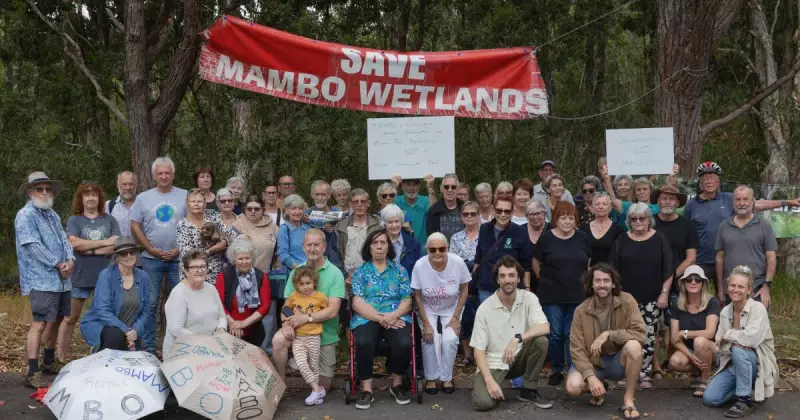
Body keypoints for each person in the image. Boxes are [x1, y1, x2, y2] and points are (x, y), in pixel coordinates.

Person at [684, 161, 797, 288]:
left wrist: (787, 202)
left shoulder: (729, 199)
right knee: (697, 295)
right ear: (700, 182)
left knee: (725, 296)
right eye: (705, 178)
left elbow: (756, 204)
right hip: (701, 260)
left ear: (718, 181)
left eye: (713, 177)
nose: (709, 181)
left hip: (726, 261)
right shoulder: (691, 205)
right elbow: (687, 233)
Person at [15, 172, 74, 388]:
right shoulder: (25, 215)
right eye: (40, 189)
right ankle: (32, 371)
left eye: (48, 189)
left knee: (57, 319)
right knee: (39, 324)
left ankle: (48, 361)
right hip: (41, 280)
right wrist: (58, 264)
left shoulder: (52, 214)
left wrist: (70, 261)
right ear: (31, 192)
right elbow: (33, 246)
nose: (45, 192)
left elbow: (64, 239)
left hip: (62, 280)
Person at [471, 256, 552, 411]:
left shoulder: (529, 298)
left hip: (519, 357)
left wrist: (518, 338)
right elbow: (478, 350)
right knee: (483, 403)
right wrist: (489, 381)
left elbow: (545, 327)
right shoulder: (485, 308)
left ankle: (529, 390)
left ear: (519, 278)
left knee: (541, 341)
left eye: (511, 275)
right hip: (494, 362)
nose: (507, 280)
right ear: (497, 280)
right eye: (502, 276)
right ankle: (493, 386)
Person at [566, 263, 646, 420]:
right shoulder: (581, 311)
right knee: (573, 387)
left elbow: (641, 334)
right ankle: (599, 386)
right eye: (597, 280)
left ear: (613, 283)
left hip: (617, 361)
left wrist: (609, 334)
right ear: (591, 284)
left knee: (634, 346)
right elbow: (576, 349)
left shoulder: (627, 301)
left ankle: (628, 399)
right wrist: (591, 377)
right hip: (593, 362)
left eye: (606, 280)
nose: (602, 285)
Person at [273, 229, 345, 392]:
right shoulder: (296, 272)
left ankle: (300, 362)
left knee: (324, 386)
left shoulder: (335, 274)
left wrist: (305, 318)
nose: (312, 249)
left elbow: (333, 311)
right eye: (309, 245)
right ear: (303, 247)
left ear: (324, 247)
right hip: (298, 331)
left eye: (316, 245)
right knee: (278, 340)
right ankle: (281, 384)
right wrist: (286, 324)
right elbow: (286, 306)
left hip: (324, 334)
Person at [610, 203, 673, 389]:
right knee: (626, 336)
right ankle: (627, 371)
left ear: (648, 220)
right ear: (629, 221)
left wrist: (664, 294)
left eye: (641, 218)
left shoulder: (659, 239)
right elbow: (612, 270)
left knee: (648, 336)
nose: (638, 222)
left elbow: (668, 270)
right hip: (626, 300)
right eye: (634, 219)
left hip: (652, 298)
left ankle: (644, 372)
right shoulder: (621, 240)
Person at [350, 229, 414, 409]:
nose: (379, 246)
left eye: (383, 243)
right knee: (363, 341)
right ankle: (367, 390)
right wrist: (381, 318)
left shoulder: (399, 270)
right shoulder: (361, 272)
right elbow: (357, 302)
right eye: (375, 243)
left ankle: (397, 384)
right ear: (369, 247)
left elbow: (407, 300)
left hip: (396, 315)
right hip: (367, 316)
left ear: (388, 247)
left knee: (403, 342)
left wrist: (393, 315)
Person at [58, 182, 121, 363]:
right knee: (70, 318)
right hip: (80, 275)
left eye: (94, 195)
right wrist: (104, 242)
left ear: (99, 198)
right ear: (81, 199)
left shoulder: (110, 220)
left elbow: (116, 245)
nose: (91, 198)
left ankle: (105, 354)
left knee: (108, 316)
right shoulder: (74, 220)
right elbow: (74, 244)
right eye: (87, 195)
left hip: (107, 276)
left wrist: (89, 249)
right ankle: (60, 358)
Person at [130, 156, 187, 354]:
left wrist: (179, 248)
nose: (164, 176)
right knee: (151, 303)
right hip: (151, 259)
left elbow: (192, 222)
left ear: (173, 175)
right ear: (154, 175)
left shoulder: (184, 195)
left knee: (181, 303)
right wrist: (149, 248)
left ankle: (180, 346)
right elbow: (135, 225)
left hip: (178, 259)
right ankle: (150, 347)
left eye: (167, 173)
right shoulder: (143, 198)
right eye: (160, 173)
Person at [703, 265, 777, 417]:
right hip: (733, 364)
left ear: (749, 290)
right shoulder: (725, 311)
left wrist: (728, 335)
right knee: (710, 399)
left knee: (739, 349)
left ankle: (744, 400)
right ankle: (748, 390)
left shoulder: (758, 309)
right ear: (728, 287)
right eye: (733, 285)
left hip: (757, 365)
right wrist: (732, 344)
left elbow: (751, 340)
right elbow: (719, 345)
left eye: (741, 286)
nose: (735, 289)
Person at [533, 201, 592, 386]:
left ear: (576, 220)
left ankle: (574, 369)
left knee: (571, 334)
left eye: (571, 218)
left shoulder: (583, 238)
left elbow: (588, 263)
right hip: (552, 295)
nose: (567, 221)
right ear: (556, 219)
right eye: (563, 217)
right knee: (556, 334)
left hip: (577, 294)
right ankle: (557, 369)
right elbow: (536, 263)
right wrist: (546, 280)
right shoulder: (546, 238)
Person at [412, 233, 470, 394]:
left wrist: (456, 317)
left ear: (447, 248)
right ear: (427, 250)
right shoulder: (419, 265)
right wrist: (426, 324)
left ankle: (447, 377)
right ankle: (431, 378)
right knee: (429, 339)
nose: (437, 252)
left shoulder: (458, 262)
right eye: (433, 249)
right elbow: (417, 296)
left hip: (452, 307)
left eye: (441, 249)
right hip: (428, 307)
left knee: (450, 340)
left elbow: (464, 290)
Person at [652, 185, 698, 371]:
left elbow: (691, 258)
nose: (667, 202)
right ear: (658, 201)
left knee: (675, 323)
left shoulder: (687, 225)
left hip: (679, 282)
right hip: (652, 281)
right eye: (664, 198)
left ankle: (671, 360)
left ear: (678, 202)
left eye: (671, 199)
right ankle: (654, 365)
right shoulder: (650, 222)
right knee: (652, 325)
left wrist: (670, 276)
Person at [80, 237, 151, 352]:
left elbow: (146, 310)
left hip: (130, 332)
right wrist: (125, 331)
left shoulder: (143, 276)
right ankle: (99, 351)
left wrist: (135, 331)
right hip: (104, 327)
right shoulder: (106, 275)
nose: (129, 256)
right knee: (115, 335)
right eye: (123, 253)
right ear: (116, 257)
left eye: (132, 252)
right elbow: (103, 310)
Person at [715, 185, 777, 307]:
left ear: (753, 202)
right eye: (738, 199)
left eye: (745, 199)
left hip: (756, 289)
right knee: (730, 320)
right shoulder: (724, 226)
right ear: (733, 202)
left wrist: (766, 286)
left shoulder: (764, 225)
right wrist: (721, 287)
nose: (741, 203)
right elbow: (719, 258)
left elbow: (771, 258)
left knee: (756, 320)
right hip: (731, 290)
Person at [668, 265, 721, 397]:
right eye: (689, 279)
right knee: (674, 362)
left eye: (697, 279)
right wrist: (690, 356)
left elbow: (709, 333)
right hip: (689, 349)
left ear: (703, 283)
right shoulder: (677, 305)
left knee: (699, 341)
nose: (693, 282)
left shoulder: (712, 302)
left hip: (711, 348)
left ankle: (705, 380)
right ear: (684, 283)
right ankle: (698, 370)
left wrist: (685, 333)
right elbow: (674, 338)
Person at [163, 249, 227, 356]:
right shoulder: (179, 293)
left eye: (203, 266)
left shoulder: (211, 288)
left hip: (209, 350)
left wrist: (221, 330)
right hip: (183, 352)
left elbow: (222, 316)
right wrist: (202, 342)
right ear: (186, 271)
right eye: (194, 267)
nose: (200, 270)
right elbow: (176, 329)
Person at [282, 266, 329, 406]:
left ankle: (316, 393)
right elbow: (285, 308)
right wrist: (287, 322)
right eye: (301, 284)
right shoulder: (294, 296)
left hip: (314, 336)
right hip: (298, 337)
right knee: (302, 364)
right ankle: (317, 389)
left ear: (314, 282)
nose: (305, 286)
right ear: (296, 284)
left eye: (308, 283)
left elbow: (327, 313)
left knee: (314, 366)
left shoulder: (320, 297)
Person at [474, 197, 532, 302]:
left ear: (512, 212)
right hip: (486, 287)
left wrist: (527, 288)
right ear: (493, 210)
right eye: (499, 210)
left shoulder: (520, 231)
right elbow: (478, 259)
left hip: (511, 287)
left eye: (507, 211)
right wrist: (474, 282)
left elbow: (526, 265)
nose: (503, 214)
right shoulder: (484, 229)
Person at [216, 238, 270, 346]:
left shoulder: (261, 276)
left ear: (252, 258)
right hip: (229, 327)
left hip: (253, 328)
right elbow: (218, 303)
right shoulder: (225, 275)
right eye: (240, 259)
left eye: (247, 258)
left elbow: (265, 306)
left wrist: (243, 323)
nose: (244, 262)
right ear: (234, 259)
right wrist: (233, 324)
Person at [176, 188, 236, 284]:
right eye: (193, 201)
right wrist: (212, 249)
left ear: (205, 204)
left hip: (215, 273)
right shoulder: (183, 225)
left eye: (199, 201)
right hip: (193, 274)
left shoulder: (213, 218)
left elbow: (232, 234)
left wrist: (225, 242)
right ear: (187, 204)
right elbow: (187, 254)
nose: (196, 204)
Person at [449, 201, 481, 366]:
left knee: (480, 317)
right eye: (466, 214)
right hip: (461, 282)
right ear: (461, 217)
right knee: (464, 316)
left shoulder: (486, 234)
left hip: (481, 280)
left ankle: (480, 354)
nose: (469, 217)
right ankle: (467, 354)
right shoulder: (455, 238)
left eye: (473, 214)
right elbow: (453, 262)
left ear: (478, 215)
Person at [335, 189, 381, 282]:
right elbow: (336, 253)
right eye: (356, 202)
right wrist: (344, 276)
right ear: (350, 204)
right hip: (348, 277)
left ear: (368, 203)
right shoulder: (340, 226)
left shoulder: (378, 225)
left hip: (372, 276)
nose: (359, 205)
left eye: (363, 201)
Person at [233, 195, 279, 272]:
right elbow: (232, 254)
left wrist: (277, 268)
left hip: (267, 273)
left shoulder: (272, 226)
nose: (253, 211)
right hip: (242, 274)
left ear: (262, 210)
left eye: (257, 209)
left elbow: (280, 250)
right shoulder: (237, 226)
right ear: (244, 209)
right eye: (249, 209)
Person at [393, 174, 437, 250]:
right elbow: (386, 211)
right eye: (408, 184)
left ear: (419, 186)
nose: (411, 188)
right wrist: (393, 188)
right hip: (402, 250)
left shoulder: (425, 200)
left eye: (415, 184)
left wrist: (430, 188)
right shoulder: (397, 200)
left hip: (423, 250)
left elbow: (434, 212)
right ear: (402, 186)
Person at [581, 192, 625, 264]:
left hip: (610, 269)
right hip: (588, 270)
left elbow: (621, 255)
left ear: (610, 207)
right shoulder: (583, 229)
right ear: (593, 207)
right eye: (597, 204)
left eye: (604, 204)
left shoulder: (618, 230)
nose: (600, 207)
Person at [381, 204, 421, 276]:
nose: (394, 225)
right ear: (384, 223)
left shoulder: (413, 243)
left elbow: (417, 271)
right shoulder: (377, 242)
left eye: (397, 221)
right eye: (390, 222)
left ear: (401, 222)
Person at [426, 173, 465, 241]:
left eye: (453, 187)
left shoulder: (465, 208)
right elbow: (431, 237)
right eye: (446, 187)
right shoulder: (433, 211)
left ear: (458, 189)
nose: (450, 190)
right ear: (441, 189)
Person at [278, 194, 311, 270]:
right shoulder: (284, 229)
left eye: (300, 208)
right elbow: (283, 255)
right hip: (295, 272)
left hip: (311, 270)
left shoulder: (308, 228)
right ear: (286, 211)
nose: (297, 212)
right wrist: (299, 269)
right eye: (293, 208)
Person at [105, 171, 137, 237]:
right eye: (124, 184)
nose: (128, 188)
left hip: (140, 244)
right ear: (118, 185)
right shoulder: (108, 206)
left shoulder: (143, 204)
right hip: (116, 244)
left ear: (136, 185)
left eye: (131, 184)